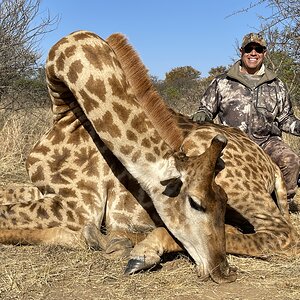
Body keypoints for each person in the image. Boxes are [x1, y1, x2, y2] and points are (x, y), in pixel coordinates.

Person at [192, 32, 300, 211]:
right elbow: (206, 110)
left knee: (291, 160)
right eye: (249, 48)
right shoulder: (221, 82)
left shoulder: (277, 85)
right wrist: (202, 115)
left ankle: (283, 205)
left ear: (264, 53)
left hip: (266, 142)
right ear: (241, 51)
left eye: (258, 49)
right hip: (233, 144)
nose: (253, 53)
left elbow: (285, 118)